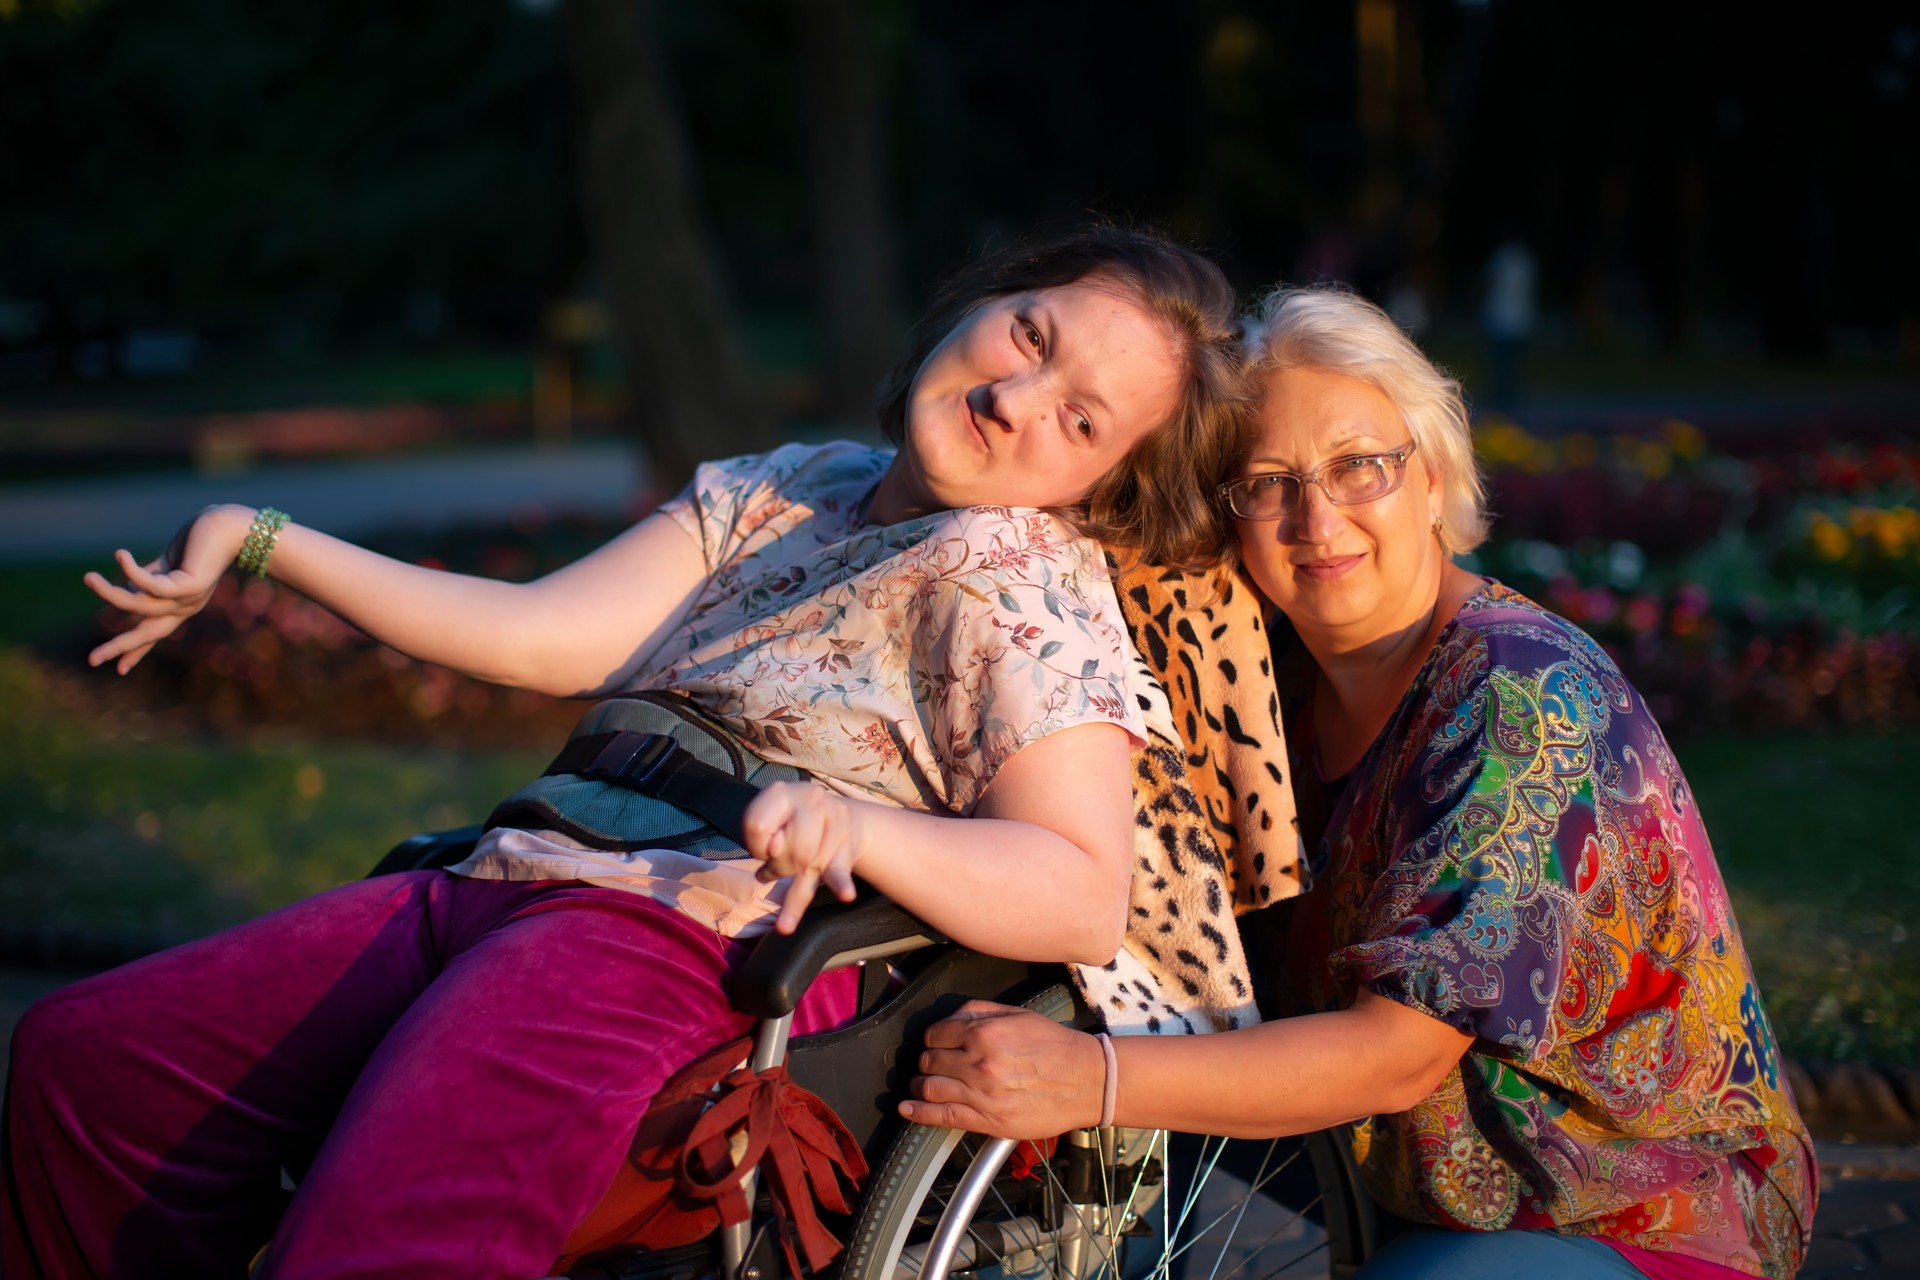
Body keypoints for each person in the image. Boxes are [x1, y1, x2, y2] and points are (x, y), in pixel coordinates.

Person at [1, 226, 1253, 1280]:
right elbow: (538, 632)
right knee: (92, 1064)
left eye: (1079, 418)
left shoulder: (1027, 585)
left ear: (1098, 485)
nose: (1014, 398)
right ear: (980, 302)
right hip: (515, 868)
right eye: (1029, 335)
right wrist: (259, 534)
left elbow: (1082, 890)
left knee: (389, 1218)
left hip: (686, 936)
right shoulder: (792, 484)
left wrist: (862, 826)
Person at [902, 285, 1815, 1279]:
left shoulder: (1519, 695)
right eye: (1267, 479)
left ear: (1432, 480)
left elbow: (1397, 1052)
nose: (1316, 517)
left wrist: (1092, 1077)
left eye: (1360, 467)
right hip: (1402, 1168)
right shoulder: (1262, 678)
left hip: (1621, 1206)